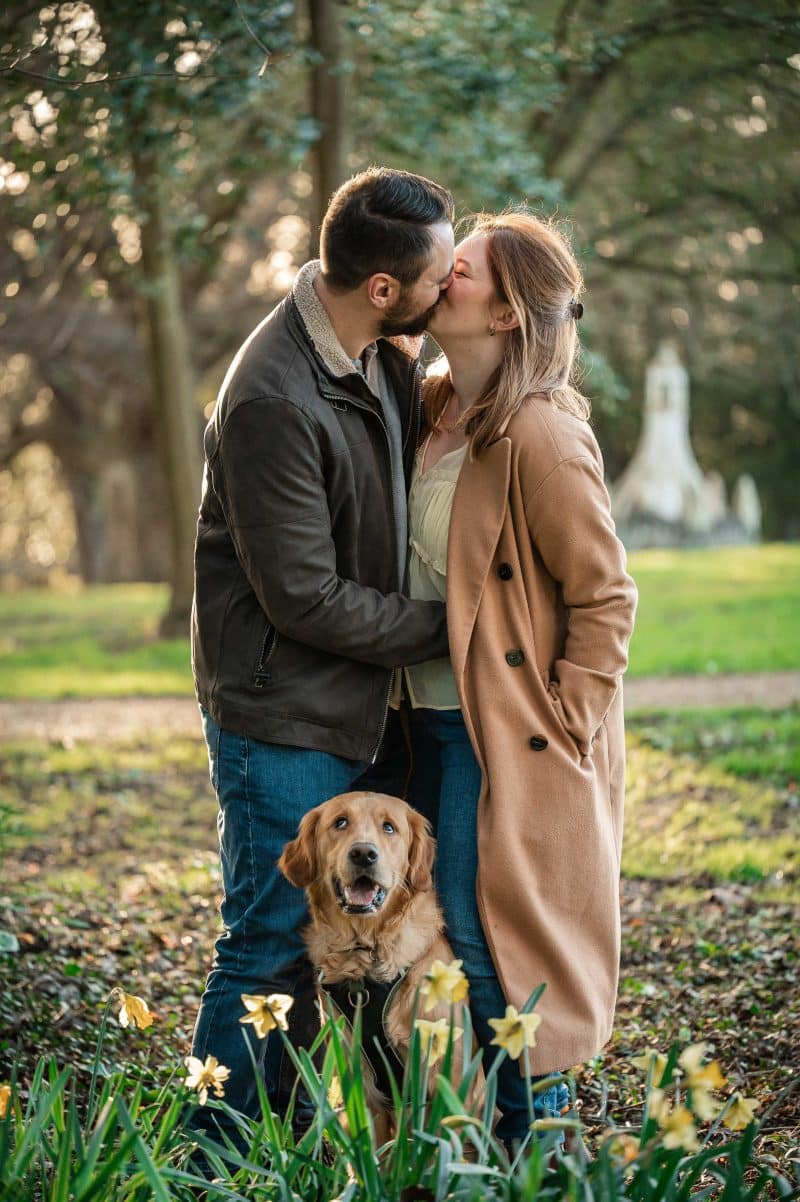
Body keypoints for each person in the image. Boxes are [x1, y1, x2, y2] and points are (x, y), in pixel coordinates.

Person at [190, 166, 455, 1136]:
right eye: (439, 276)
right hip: (281, 705)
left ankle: (294, 1144)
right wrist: (457, 627)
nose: (450, 286)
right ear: (382, 287)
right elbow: (302, 594)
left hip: (351, 695)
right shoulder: (273, 395)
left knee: (322, 945)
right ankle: (212, 1159)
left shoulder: (378, 350)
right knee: (266, 939)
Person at [403, 211, 638, 1149]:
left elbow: (606, 595)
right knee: (440, 933)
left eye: (458, 269)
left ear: (505, 314)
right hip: (413, 715)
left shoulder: (539, 432)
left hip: (497, 728)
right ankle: (460, 1138)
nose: (437, 275)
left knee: (491, 931)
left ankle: (536, 1142)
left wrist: (565, 721)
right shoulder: (425, 405)